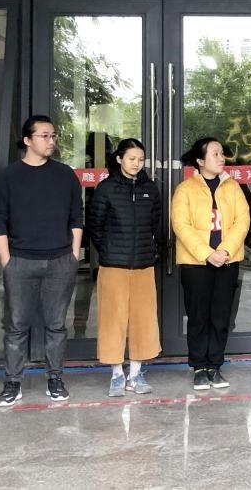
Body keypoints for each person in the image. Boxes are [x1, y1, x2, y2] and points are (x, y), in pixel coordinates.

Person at [0, 115, 83, 407]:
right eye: (44, 136)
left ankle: (55, 377)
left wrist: (73, 254)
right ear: (27, 140)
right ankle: (13, 382)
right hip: (21, 261)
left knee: (56, 325)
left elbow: (76, 216)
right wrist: (6, 259)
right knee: (16, 326)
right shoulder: (8, 176)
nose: (51, 141)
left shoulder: (65, 175)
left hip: (60, 261)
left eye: (53, 136)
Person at [172, 137, 250, 390]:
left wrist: (225, 250)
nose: (221, 158)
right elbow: (181, 225)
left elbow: (243, 221)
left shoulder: (233, 187)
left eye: (221, 153)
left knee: (220, 316)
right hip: (196, 264)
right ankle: (199, 367)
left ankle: (215, 366)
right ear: (200, 160)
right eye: (215, 154)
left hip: (227, 261)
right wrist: (207, 253)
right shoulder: (185, 189)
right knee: (198, 317)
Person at [87, 138, 162, 397]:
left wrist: (150, 250)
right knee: (113, 319)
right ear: (119, 159)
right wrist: (109, 250)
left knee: (143, 319)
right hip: (113, 265)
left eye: (140, 160)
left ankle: (136, 373)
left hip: (143, 264)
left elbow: (155, 224)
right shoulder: (106, 188)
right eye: (131, 159)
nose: (136, 164)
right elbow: (95, 226)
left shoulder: (150, 189)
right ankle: (117, 374)